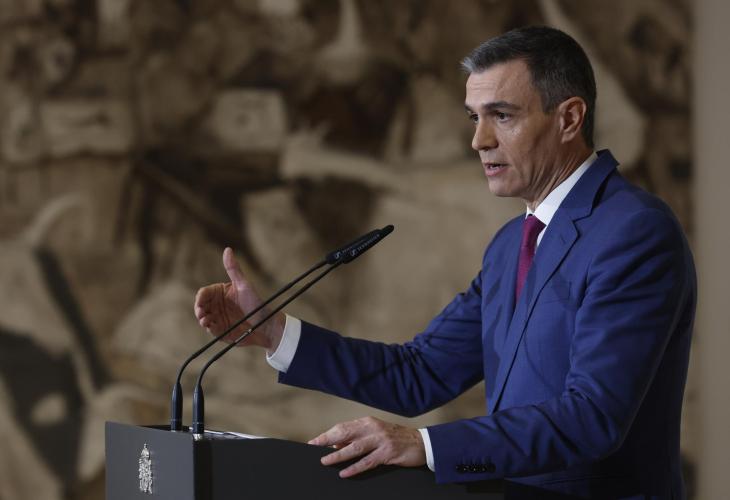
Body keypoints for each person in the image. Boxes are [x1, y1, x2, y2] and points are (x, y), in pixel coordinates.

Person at [194, 26, 696, 498]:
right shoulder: (510, 244)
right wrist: (275, 332)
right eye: (474, 117)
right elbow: (420, 373)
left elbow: (592, 417)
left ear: (568, 119)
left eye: (502, 116)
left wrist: (427, 446)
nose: (479, 140)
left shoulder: (633, 232)